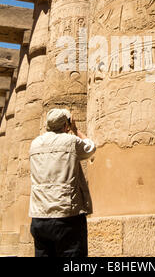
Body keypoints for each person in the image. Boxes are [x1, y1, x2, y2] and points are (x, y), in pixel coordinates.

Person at [29, 108, 96, 257]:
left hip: (39, 216)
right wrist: (75, 129)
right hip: (66, 216)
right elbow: (91, 148)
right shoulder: (70, 141)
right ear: (65, 125)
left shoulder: (35, 144)